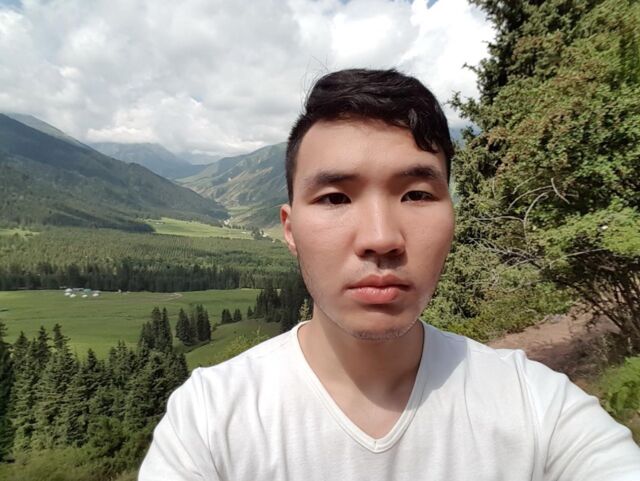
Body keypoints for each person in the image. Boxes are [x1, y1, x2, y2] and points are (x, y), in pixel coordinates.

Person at [138, 69, 640, 481]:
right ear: (289, 229)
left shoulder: (539, 408)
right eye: (335, 197)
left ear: (452, 215)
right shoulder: (211, 419)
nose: (381, 238)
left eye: (416, 194)